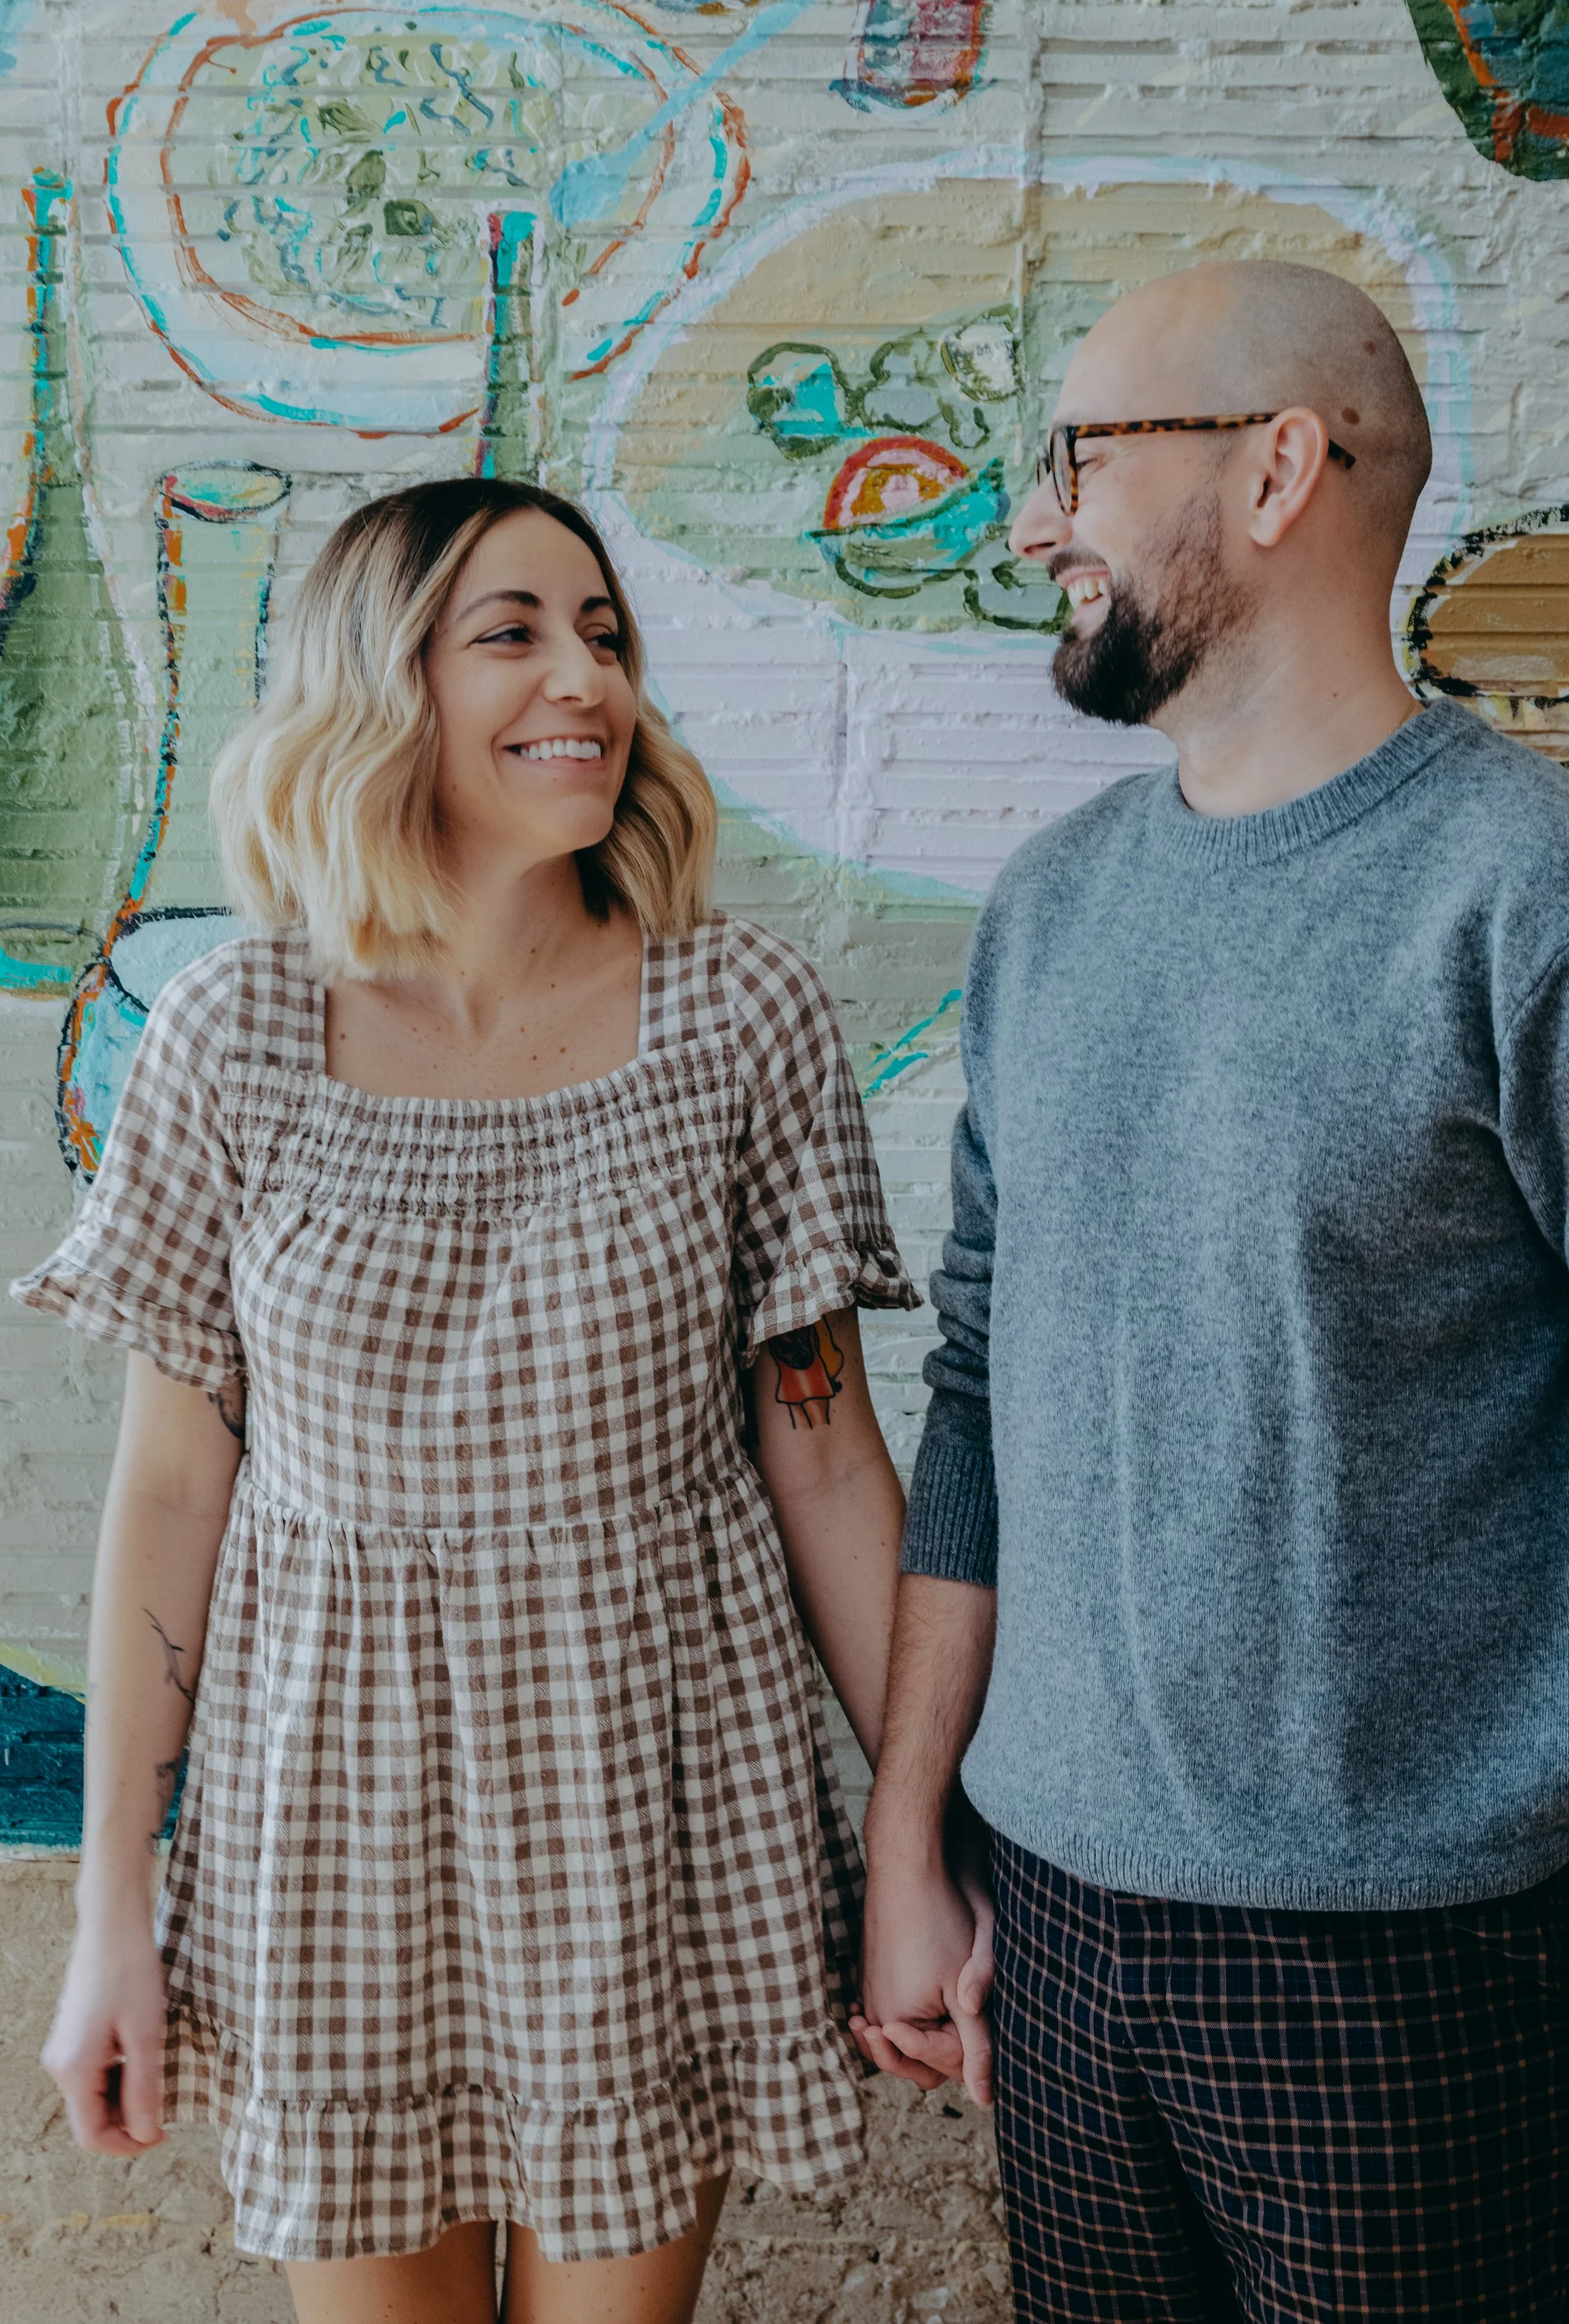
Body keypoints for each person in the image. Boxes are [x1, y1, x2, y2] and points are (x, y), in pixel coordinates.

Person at [853, 262, 1569, 2323]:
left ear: (1276, 470)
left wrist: (1484, 1663)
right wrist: (909, 1838)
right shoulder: (1051, 907)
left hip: (1399, 1952)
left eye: (1082, 454)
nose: (1035, 518)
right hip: (1054, 1917)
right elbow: (981, 1394)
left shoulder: (1542, 902)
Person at [16, 477, 919, 2324]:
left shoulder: (736, 1012)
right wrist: (116, 1907)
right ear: (378, 681)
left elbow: (823, 1454)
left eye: (601, 630)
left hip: (654, 1782)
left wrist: (916, 1843)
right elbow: (172, 1489)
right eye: (509, 630)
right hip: (326, 1801)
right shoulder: (232, 1026)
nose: (582, 673)